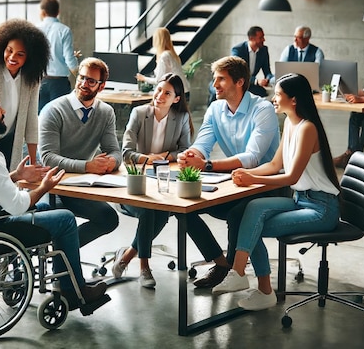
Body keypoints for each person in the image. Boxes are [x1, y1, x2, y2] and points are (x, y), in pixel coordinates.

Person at [0, 84, 108, 310]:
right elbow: (18, 207)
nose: (4, 112)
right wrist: (44, 187)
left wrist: (15, 175)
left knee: (47, 211)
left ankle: (28, 273)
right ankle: (74, 290)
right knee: (66, 218)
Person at [210, 73, 340, 311]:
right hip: (301, 200)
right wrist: (239, 173)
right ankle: (252, 282)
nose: (273, 99)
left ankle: (248, 279)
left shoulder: (307, 129)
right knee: (251, 210)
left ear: (294, 99)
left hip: (322, 208)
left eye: (278, 94)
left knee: (251, 225)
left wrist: (252, 178)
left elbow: (292, 177)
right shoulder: (290, 123)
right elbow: (273, 166)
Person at [177, 56, 280, 288]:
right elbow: (202, 145)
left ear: (240, 82)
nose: (215, 85)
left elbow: (252, 158)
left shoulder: (262, 109)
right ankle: (221, 263)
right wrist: (191, 155)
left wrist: (208, 166)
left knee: (237, 213)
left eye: (221, 79)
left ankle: (236, 273)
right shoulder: (215, 109)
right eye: (215, 79)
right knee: (184, 207)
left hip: (269, 185)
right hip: (236, 183)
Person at [113, 73, 194, 288]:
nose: (159, 95)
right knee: (150, 210)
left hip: (164, 182)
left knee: (164, 211)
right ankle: (144, 266)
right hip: (134, 183)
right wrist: (147, 159)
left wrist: (166, 157)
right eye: (158, 90)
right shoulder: (139, 113)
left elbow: (186, 150)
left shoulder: (181, 118)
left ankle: (127, 255)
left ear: (176, 99)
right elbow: (126, 152)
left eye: (167, 93)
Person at [39, 57, 121, 247]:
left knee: (108, 218)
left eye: (91, 81)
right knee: (63, 219)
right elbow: (48, 159)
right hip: (50, 185)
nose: (84, 84)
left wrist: (111, 162)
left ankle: (62, 254)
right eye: (81, 78)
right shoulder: (53, 110)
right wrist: (88, 166)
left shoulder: (106, 112)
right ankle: (63, 267)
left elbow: (115, 151)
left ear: (101, 86)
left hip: (79, 185)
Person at [0, 19, 49, 170]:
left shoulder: (32, 79)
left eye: (20, 54)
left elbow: (31, 120)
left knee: (10, 185)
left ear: (30, 58)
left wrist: (33, 163)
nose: (12, 57)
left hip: (10, 140)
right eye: (9, 50)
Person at [207, 26, 274, 104]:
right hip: (236, 81)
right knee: (216, 92)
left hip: (249, 84)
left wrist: (270, 79)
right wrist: (256, 81)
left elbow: (267, 71)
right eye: (261, 37)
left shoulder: (264, 50)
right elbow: (237, 72)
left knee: (262, 93)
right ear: (252, 38)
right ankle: (212, 111)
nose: (264, 40)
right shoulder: (238, 49)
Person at [37, 0, 81, 113]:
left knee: (40, 118)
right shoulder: (64, 30)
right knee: (60, 117)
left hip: (39, 81)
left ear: (42, 12)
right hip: (59, 83)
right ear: (58, 12)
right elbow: (69, 59)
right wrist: (79, 76)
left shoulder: (36, 29)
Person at [135, 27, 191, 100]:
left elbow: (159, 79)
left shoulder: (164, 56)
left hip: (176, 93)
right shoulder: (172, 54)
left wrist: (143, 78)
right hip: (184, 90)